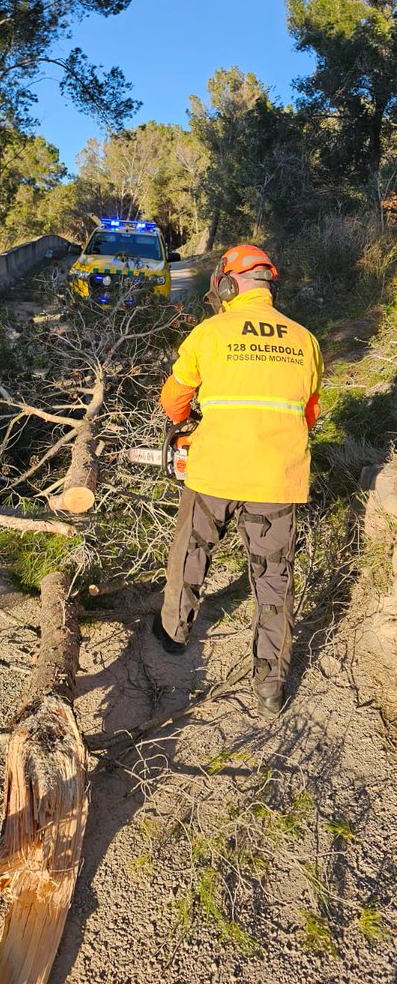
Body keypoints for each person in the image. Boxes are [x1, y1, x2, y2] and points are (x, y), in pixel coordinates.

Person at [153, 244, 323, 719]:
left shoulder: (211, 332)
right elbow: (308, 414)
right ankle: (270, 687)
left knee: (191, 550)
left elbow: (174, 401)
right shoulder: (305, 339)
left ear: (227, 285)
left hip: (217, 470)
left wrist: (187, 423)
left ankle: (174, 635)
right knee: (274, 580)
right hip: (277, 476)